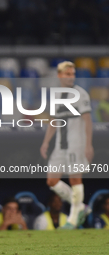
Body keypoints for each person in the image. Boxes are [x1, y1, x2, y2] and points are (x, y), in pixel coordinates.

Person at [40, 61, 93, 229]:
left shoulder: (81, 94)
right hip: (59, 145)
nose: (71, 77)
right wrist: (46, 142)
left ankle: (72, 220)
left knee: (75, 179)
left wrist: (88, 144)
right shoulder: (56, 95)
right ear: (60, 76)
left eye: (73, 74)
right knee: (51, 180)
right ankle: (81, 207)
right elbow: (54, 122)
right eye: (68, 74)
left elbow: (87, 121)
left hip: (75, 143)